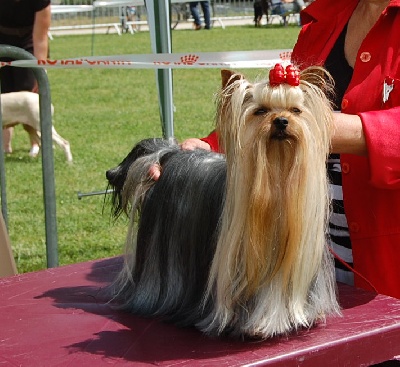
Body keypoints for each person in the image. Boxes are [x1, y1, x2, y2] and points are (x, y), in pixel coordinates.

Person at [154, 0, 400, 302]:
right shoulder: (324, 18)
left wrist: (334, 129)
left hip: (387, 265)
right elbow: (277, 111)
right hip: (308, 254)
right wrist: (211, 146)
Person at [0, 0, 51, 157]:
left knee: (29, 90)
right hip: (2, 37)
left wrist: (39, 73)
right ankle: (5, 146)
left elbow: (41, 37)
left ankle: (35, 143)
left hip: (29, 38)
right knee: (5, 92)